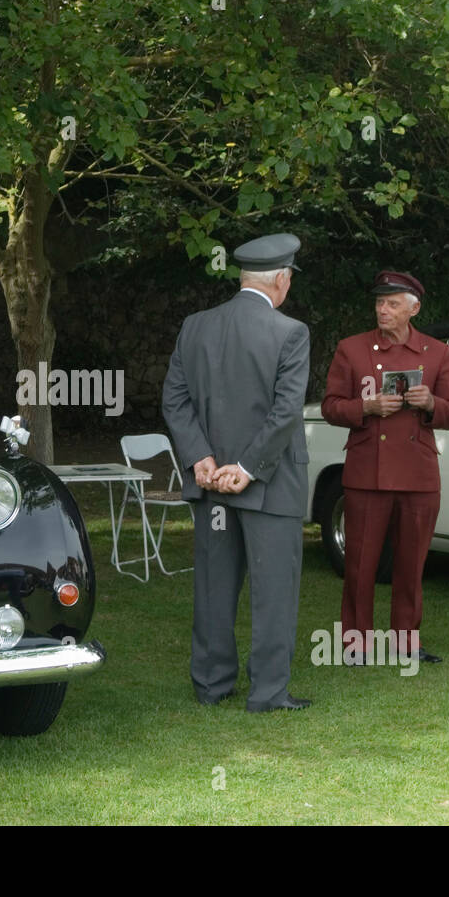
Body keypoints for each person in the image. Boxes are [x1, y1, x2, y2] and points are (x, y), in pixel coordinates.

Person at [161, 233, 312, 712]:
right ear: (282, 280)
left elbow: (175, 399)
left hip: (210, 484)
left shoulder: (195, 325)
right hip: (270, 484)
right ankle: (268, 693)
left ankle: (211, 684)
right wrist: (246, 468)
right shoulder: (291, 332)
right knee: (274, 594)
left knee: (213, 585)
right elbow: (287, 413)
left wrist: (199, 457)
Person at [321, 271, 449, 665]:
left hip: (418, 474)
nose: (383, 310)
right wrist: (364, 408)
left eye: (392, 303)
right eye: (379, 303)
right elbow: (330, 406)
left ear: (414, 308)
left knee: (410, 564)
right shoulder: (352, 349)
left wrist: (431, 402)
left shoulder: (437, 352)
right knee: (360, 563)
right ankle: (355, 644)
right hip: (368, 471)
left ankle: (406, 643)